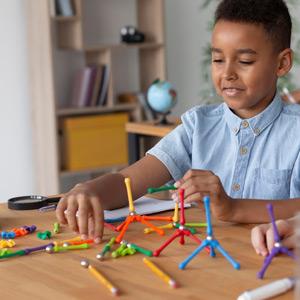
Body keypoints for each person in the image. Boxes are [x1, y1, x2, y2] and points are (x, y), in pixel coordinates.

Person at [56, 0, 300, 243]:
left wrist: (232, 208)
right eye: (217, 60)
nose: (227, 74)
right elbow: (127, 181)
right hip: (202, 263)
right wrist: (89, 191)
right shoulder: (198, 126)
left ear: (282, 63)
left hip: (271, 266)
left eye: (245, 61)